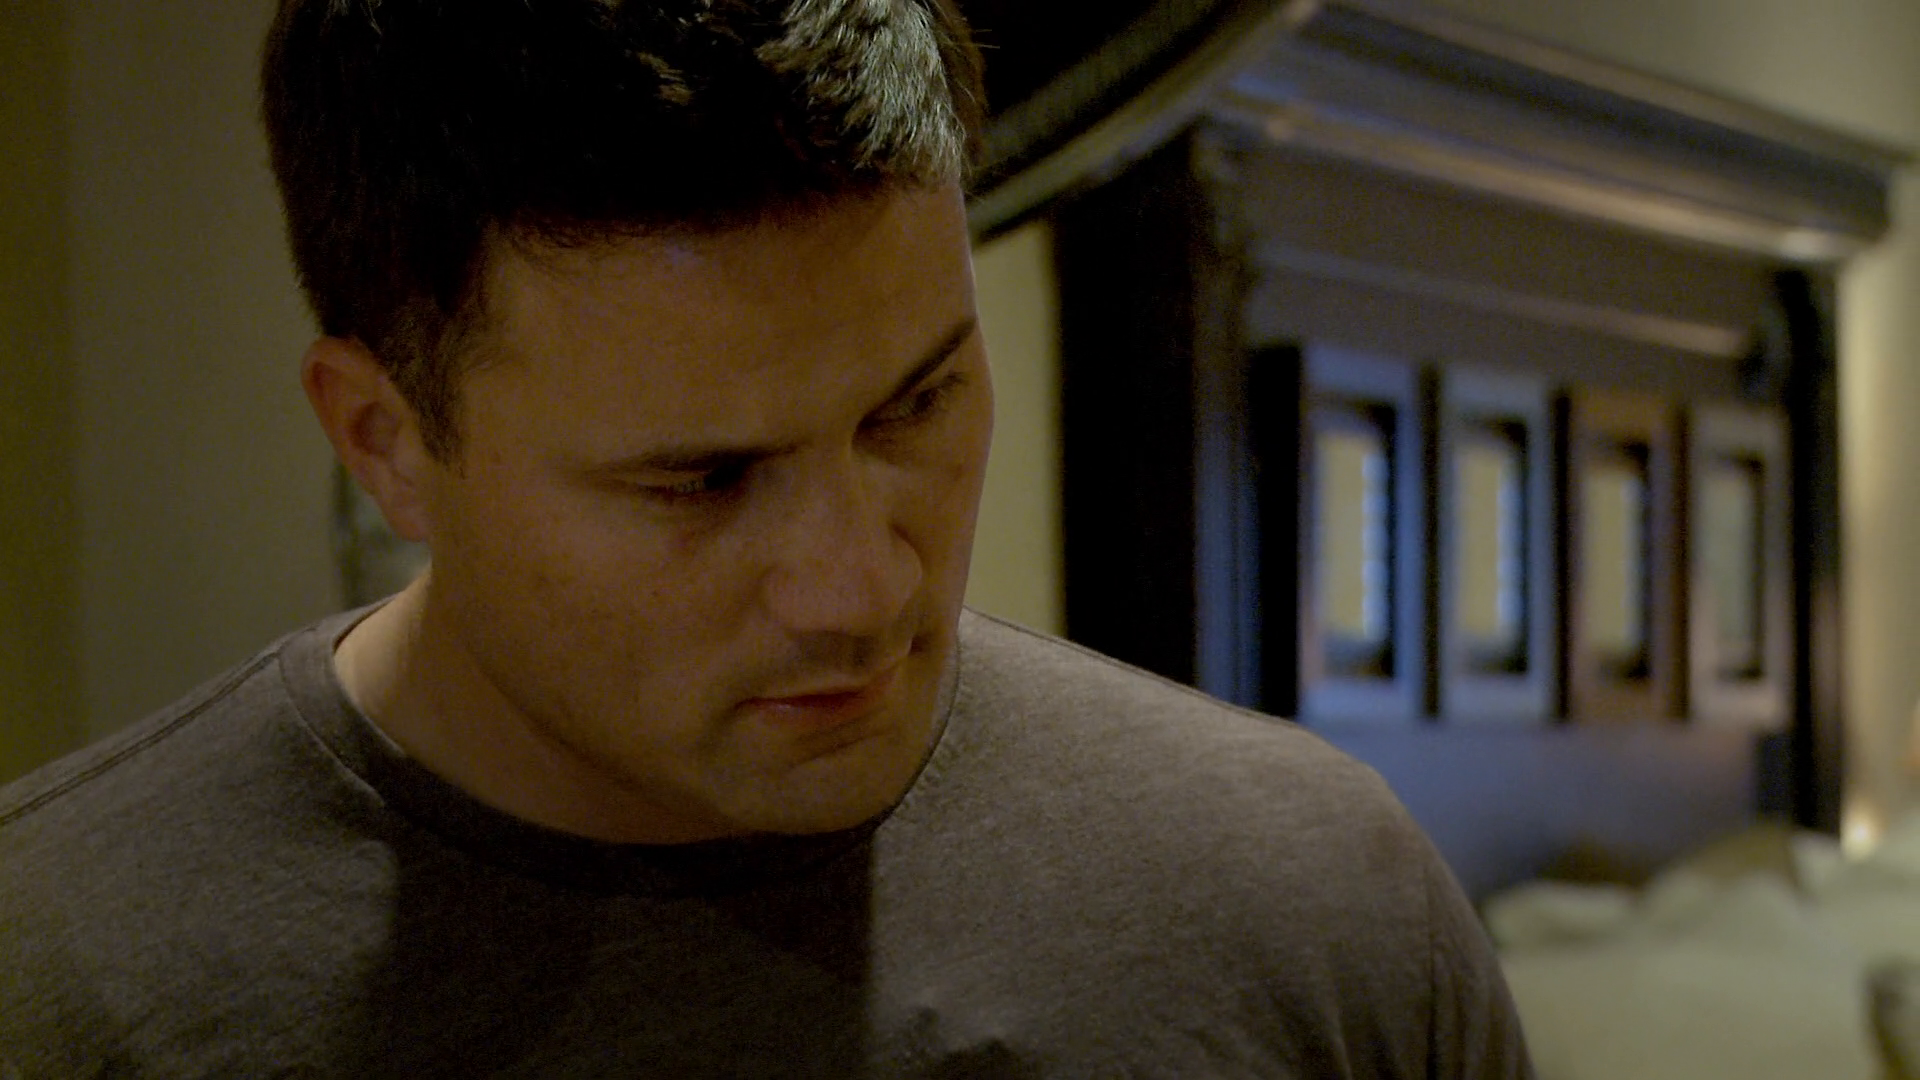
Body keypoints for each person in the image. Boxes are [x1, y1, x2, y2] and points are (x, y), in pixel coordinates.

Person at [0, 1, 1533, 1075]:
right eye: (703, 481)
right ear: (385, 440)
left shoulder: (1315, 910)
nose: (863, 587)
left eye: (916, 403)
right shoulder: (60, 986)